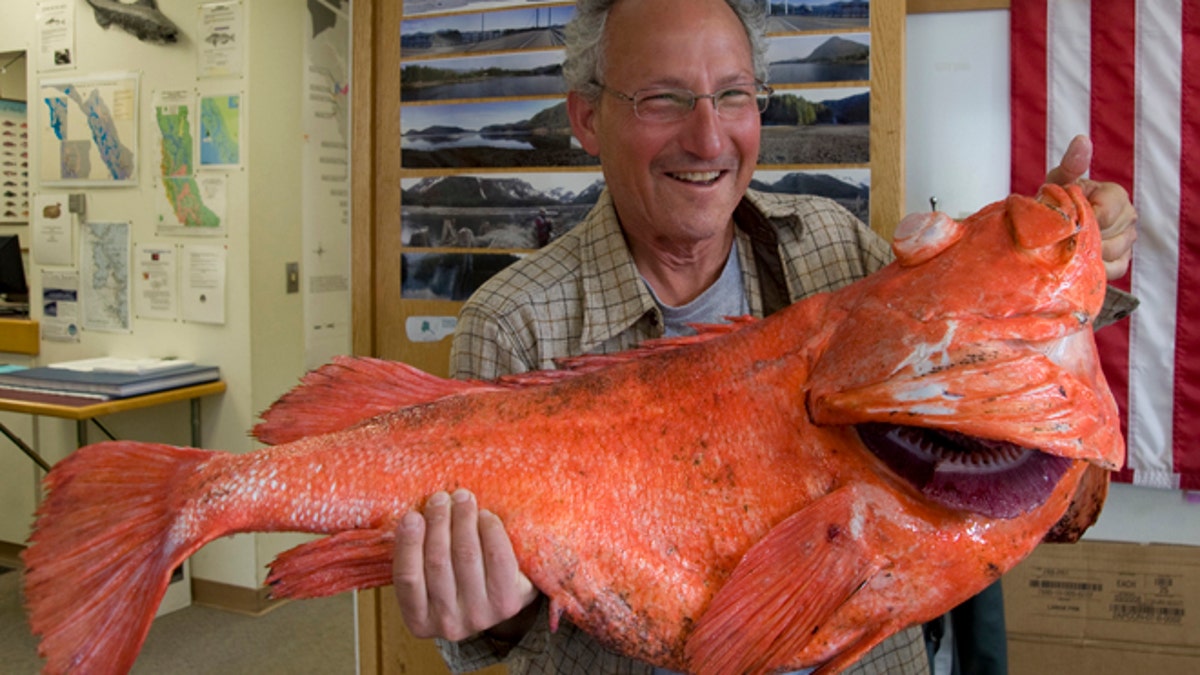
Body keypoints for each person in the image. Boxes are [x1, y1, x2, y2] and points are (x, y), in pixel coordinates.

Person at [391, 1, 1139, 673]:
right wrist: (476, 610)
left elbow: (984, 371)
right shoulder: (511, 321)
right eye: (664, 98)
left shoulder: (838, 246)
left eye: (734, 95)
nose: (708, 135)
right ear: (586, 117)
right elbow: (475, 638)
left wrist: (1072, 273)